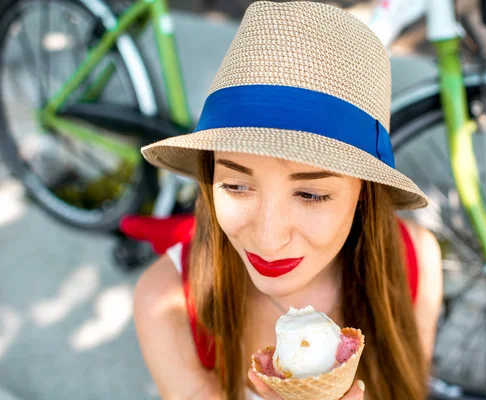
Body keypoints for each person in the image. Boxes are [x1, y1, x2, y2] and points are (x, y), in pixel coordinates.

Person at [132, 1, 442, 399]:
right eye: (236, 185)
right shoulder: (167, 303)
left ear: (365, 192)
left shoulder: (416, 263)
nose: (268, 238)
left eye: (311, 194)